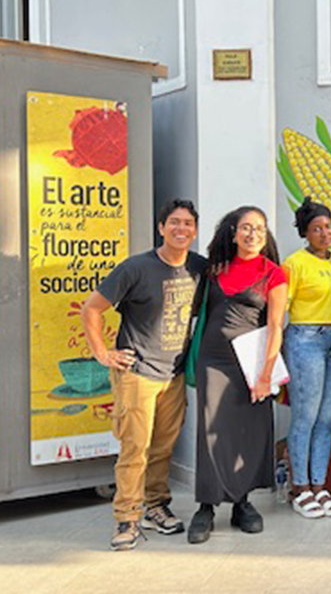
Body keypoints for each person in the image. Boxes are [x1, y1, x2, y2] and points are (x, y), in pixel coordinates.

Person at [82, 200, 206, 551]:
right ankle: (127, 517)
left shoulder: (199, 268)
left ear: (195, 231)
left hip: (175, 374)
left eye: (188, 224)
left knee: (163, 447)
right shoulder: (136, 268)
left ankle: (156, 505)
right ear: (161, 227)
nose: (181, 229)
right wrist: (102, 353)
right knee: (134, 448)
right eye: (174, 223)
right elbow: (92, 308)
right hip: (138, 373)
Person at [187, 206, 287, 544]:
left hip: (250, 364)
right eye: (245, 227)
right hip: (212, 360)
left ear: (266, 234)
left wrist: (265, 374)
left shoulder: (275, 273)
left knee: (245, 432)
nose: (252, 234)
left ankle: (242, 503)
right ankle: (206, 507)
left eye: (259, 228)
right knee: (210, 433)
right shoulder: (215, 269)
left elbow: (275, 327)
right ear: (233, 232)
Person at [282, 198, 331, 519]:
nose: (324, 233)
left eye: (327, 227)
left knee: (325, 418)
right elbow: (280, 306)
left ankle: (320, 484)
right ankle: (300, 487)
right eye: (316, 229)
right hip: (305, 340)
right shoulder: (294, 263)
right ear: (305, 234)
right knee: (305, 417)